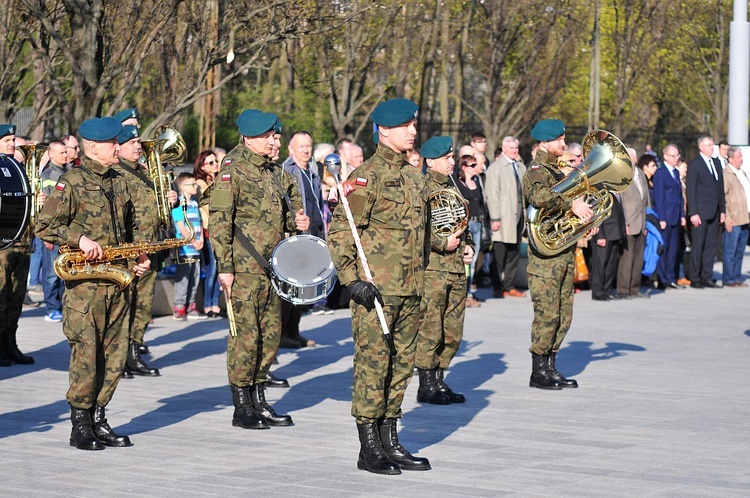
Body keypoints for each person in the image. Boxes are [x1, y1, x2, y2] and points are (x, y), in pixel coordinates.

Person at [328, 98, 431, 474]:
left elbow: (421, 233)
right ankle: (368, 447)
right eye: (405, 126)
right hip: (377, 291)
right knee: (373, 366)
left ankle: (391, 439)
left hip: (412, 288)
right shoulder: (365, 177)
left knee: (402, 366)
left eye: (414, 126)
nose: (413, 132)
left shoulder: (414, 176)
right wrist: (352, 280)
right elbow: (340, 231)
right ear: (384, 130)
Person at [36, 117, 151, 450]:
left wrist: (140, 254)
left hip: (118, 281)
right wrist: (80, 238)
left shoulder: (122, 180)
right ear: (93, 147)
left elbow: (136, 224)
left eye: (118, 142)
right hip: (86, 288)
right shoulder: (70, 182)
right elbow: (44, 227)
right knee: (87, 354)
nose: (119, 147)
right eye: (113, 143)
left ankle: (100, 417)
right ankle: (80, 424)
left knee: (115, 355)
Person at [209, 109, 308, 431]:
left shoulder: (275, 173)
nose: (274, 141)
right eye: (269, 137)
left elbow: (293, 206)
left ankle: (260, 399)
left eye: (276, 136)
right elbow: (220, 223)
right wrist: (225, 267)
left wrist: (299, 220)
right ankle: (243, 407)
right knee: (245, 338)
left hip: (273, 268)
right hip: (243, 270)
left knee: (268, 337)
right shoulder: (232, 171)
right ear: (250, 138)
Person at [522, 119, 592, 390]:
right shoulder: (537, 170)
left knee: (564, 313)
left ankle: (551, 366)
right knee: (547, 313)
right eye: (558, 141)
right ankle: (538, 371)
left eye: (563, 139)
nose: (563, 144)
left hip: (563, 252)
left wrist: (584, 223)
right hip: (545, 259)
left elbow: (564, 212)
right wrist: (570, 203)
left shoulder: (560, 170)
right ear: (544, 143)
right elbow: (539, 197)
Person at [415, 136, 474, 406]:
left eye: (452, 157)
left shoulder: (453, 186)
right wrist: (441, 243)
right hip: (433, 270)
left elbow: (462, 222)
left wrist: (468, 245)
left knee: (453, 330)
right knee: (431, 328)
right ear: (430, 162)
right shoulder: (421, 187)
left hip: (455, 269)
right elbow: (415, 231)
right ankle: (426, 384)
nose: (452, 162)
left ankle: (439, 378)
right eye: (447, 158)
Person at [281, 130, 327, 347]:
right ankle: (282, 334)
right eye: (301, 146)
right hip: (295, 236)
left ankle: (294, 331)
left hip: (313, 235)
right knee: (291, 287)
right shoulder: (287, 171)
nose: (306, 150)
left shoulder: (313, 172)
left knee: (303, 289)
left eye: (309, 145)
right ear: (291, 148)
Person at [0, 124, 36, 367]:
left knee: (17, 296)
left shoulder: (18, 168)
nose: (13, 144)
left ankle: (10, 343)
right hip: (2, 245)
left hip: (23, 241)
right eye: (7, 140)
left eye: (14, 140)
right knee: (1, 297)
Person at [486, 135, 527, 299]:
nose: (514, 150)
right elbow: (492, 194)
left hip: (518, 217)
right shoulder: (496, 167)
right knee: (499, 254)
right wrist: (495, 218)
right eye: (511, 148)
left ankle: (509, 285)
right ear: (503, 149)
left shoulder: (521, 166)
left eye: (516, 148)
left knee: (513, 253)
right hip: (503, 217)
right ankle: (497, 286)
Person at [38, 141, 70, 322]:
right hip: (53, 231)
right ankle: (51, 308)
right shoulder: (48, 175)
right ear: (51, 155)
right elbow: (44, 208)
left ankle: (62, 305)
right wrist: (46, 234)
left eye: (66, 152)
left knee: (63, 270)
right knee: (51, 273)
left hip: (66, 232)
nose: (65, 156)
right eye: (62, 153)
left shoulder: (68, 172)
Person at [686, 136, 725, 288]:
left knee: (710, 246)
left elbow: (720, 189)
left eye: (712, 144)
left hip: (714, 211)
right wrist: (693, 213)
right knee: (698, 245)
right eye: (709, 145)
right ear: (701, 147)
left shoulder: (716, 163)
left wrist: (722, 210)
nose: (712, 147)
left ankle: (706, 276)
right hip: (700, 213)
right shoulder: (695, 164)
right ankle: (695, 277)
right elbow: (691, 190)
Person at [615, 148, 651, 299]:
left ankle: (635, 288)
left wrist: (647, 223)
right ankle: (623, 289)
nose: (630, 159)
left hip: (641, 222)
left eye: (632, 157)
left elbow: (646, 200)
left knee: (638, 257)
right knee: (627, 258)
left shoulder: (641, 174)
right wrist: (625, 223)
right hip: (629, 222)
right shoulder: (621, 175)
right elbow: (620, 202)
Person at [172, 172, 206, 320]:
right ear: (182, 187)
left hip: (196, 248)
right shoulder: (179, 204)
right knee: (184, 277)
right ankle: (179, 306)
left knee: (195, 277)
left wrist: (201, 241)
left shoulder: (194, 204)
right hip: (185, 249)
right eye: (192, 184)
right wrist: (193, 241)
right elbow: (181, 227)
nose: (195, 187)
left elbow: (198, 223)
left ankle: (191, 305)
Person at [454, 155, 487, 307]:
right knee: (465, 260)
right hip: (467, 224)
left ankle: (469, 292)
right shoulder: (456, 183)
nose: (476, 167)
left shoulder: (477, 182)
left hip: (478, 224)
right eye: (473, 165)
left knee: (472, 261)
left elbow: (481, 203)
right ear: (464, 167)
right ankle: (463, 294)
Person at [193, 149, 223, 318]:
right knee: (212, 268)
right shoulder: (200, 183)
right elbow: (206, 208)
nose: (215, 165)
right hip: (209, 229)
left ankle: (216, 305)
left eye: (216, 161)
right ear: (202, 166)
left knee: (221, 268)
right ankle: (208, 305)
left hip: (221, 230)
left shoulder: (218, 180)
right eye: (210, 162)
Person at [652, 144, 686, 290]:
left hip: (676, 216)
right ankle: (662, 278)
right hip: (665, 217)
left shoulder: (676, 173)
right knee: (664, 249)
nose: (676, 158)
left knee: (673, 249)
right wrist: (661, 218)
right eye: (673, 156)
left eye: (677, 155)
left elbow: (680, 196)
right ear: (665, 156)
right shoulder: (660, 173)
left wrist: (683, 215)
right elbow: (659, 198)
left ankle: (671, 278)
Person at [721, 146, 748, 287]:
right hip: (734, 218)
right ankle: (729, 278)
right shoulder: (726, 174)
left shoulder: (741, 172)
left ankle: (737, 277)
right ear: (730, 159)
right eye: (738, 157)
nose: (741, 159)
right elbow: (723, 198)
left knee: (740, 250)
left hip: (745, 217)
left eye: (741, 156)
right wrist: (727, 218)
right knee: (730, 250)